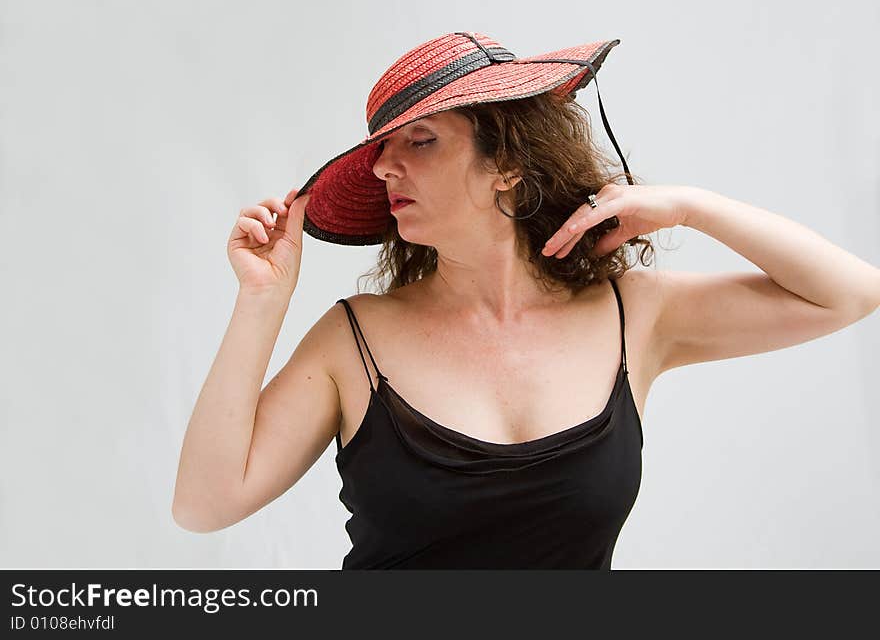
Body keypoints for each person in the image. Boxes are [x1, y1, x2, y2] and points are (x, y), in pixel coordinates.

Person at [172, 32, 880, 568]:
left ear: (507, 165)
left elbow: (850, 294)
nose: (386, 164)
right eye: (384, 147)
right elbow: (205, 503)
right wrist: (262, 302)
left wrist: (692, 207)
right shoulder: (352, 339)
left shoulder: (636, 315)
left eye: (420, 140)